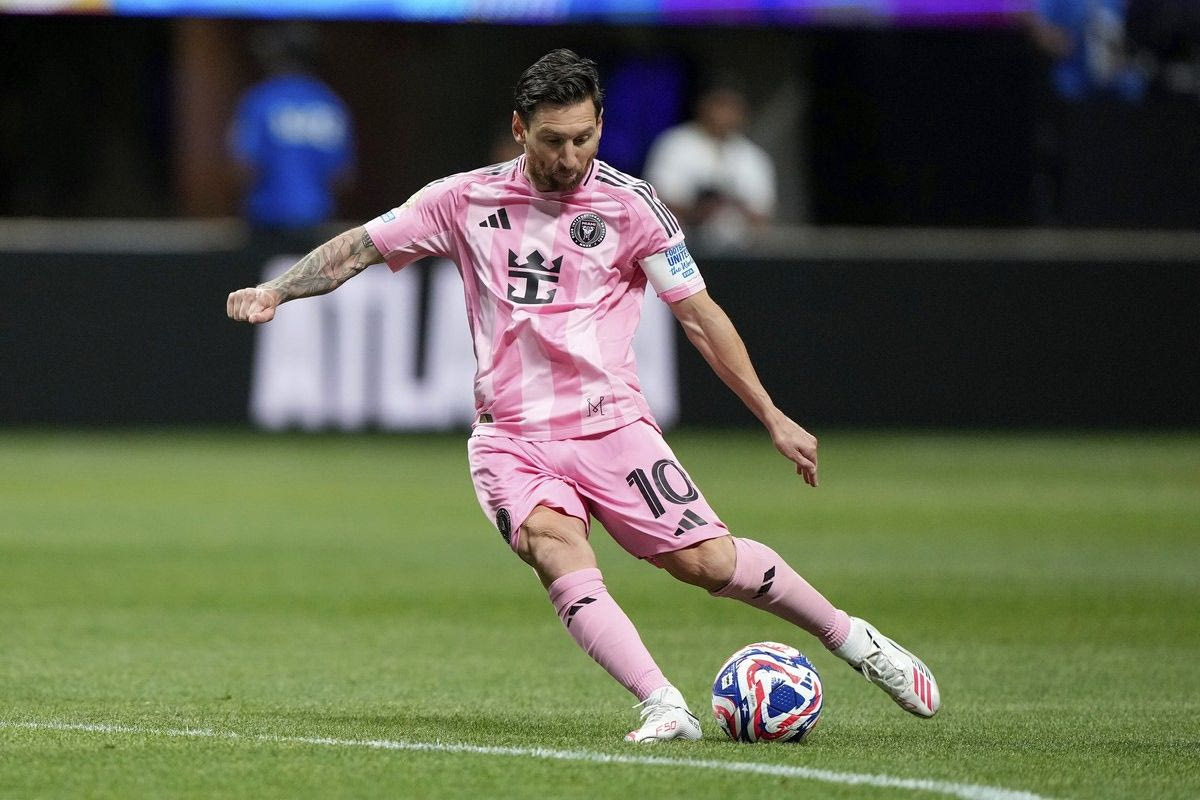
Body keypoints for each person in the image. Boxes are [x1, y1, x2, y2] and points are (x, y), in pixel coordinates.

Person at [227, 49, 939, 743]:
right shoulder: (463, 199)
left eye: (582, 138)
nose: (569, 157)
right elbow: (358, 246)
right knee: (554, 546)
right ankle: (663, 704)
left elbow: (699, 316)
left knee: (708, 564)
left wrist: (772, 415)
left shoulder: (633, 206)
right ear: (519, 128)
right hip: (510, 437)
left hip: (612, 427)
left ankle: (855, 640)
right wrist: (275, 291)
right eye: (551, 141)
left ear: (600, 125)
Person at [228, 23, 355, 235]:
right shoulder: (330, 102)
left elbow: (243, 166)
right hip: (317, 221)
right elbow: (342, 176)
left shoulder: (261, 100)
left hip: (266, 222)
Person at [642, 83, 776, 249]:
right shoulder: (674, 144)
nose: (725, 114)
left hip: (740, 252)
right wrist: (699, 209)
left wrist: (729, 204)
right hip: (682, 248)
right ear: (704, 106)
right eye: (720, 105)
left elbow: (761, 214)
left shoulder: (753, 156)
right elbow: (655, 201)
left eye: (732, 107)